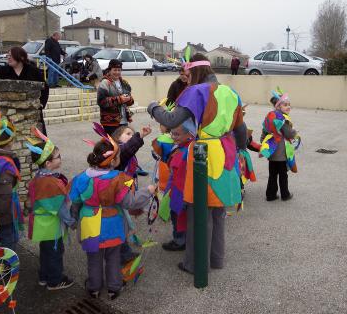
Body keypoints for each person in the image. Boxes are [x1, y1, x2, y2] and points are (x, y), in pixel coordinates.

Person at [147, 53, 247, 273]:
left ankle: (194, 264)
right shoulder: (231, 92)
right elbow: (240, 130)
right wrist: (239, 152)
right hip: (227, 153)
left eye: (189, 74)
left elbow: (171, 120)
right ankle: (216, 259)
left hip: (204, 154)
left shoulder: (197, 91)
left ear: (195, 72)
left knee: (198, 213)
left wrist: (153, 107)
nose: (188, 78)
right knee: (218, 212)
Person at [69, 123, 155, 300]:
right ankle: (114, 287)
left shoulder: (81, 178)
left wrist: (73, 220)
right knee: (113, 258)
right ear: (114, 161)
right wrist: (148, 191)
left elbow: (75, 203)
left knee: (93, 258)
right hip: (111, 224)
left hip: (89, 223)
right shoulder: (118, 179)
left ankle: (93, 287)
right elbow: (130, 202)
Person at [26, 127, 76, 291]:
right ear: (48, 163)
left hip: (41, 223)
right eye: (58, 157)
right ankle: (55, 280)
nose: (60, 159)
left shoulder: (38, 178)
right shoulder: (52, 183)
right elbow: (61, 208)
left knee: (46, 251)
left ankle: (44, 276)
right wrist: (71, 221)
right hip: (51, 224)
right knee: (55, 252)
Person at [111, 124, 152, 264]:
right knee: (121, 224)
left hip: (124, 191)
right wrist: (139, 135)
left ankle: (124, 251)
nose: (131, 136)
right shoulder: (118, 151)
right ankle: (122, 255)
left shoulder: (125, 152)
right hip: (118, 194)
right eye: (128, 133)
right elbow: (128, 149)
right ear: (117, 138)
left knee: (124, 222)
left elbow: (132, 176)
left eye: (132, 134)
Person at [0, 118, 23, 250]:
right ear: (10, 142)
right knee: (8, 241)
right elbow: (3, 194)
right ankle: (5, 267)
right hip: (4, 213)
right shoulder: (5, 164)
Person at [0, 46, 49, 136]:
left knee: (37, 136)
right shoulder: (2, 72)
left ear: (21, 57)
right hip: (9, 111)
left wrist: (41, 103)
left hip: (31, 110)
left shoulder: (33, 71)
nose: (8, 58)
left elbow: (45, 87)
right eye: (7, 56)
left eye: (11, 55)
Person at [161, 119, 196, 251]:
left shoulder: (186, 151)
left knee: (178, 216)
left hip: (180, 191)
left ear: (189, 135)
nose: (173, 137)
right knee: (178, 216)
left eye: (177, 134)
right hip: (177, 189)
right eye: (172, 134)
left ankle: (180, 240)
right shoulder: (184, 147)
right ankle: (183, 239)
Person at [259, 89, 299, 201]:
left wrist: (263, 143)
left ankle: (270, 195)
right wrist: (294, 132)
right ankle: (285, 194)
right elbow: (289, 133)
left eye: (289, 105)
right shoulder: (282, 119)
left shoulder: (270, 116)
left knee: (272, 175)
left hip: (272, 152)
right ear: (278, 107)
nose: (288, 107)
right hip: (281, 153)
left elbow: (264, 131)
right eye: (285, 105)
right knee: (283, 174)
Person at [97, 59, 134, 135]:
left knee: (123, 145)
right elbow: (101, 102)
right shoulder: (104, 83)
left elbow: (131, 101)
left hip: (124, 121)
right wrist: (120, 99)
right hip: (110, 123)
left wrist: (129, 99)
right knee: (113, 145)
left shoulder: (124, 83)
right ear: (110, 70)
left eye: (119, 70)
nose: (117, 72)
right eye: (115, 70)